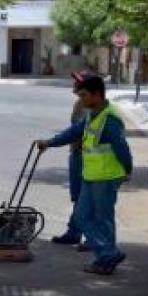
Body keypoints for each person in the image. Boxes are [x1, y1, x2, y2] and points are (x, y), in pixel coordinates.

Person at [37, 76, 132, 275]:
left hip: (106, 177)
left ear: (97, 95)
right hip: (91, 175)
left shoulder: (110, 118)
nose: (81, 99)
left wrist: (128, 170)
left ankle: (105, 258)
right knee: (81, 216)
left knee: (103, 218)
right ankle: (108, 253)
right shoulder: (91, 115)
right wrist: (49, 143)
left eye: (84, 95)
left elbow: (122, 147)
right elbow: (73, 132)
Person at [51, 70, 93, 249]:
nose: (74, 84)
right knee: (78, 196)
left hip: (88, 156)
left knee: (87, 198)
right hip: (77, 154)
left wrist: (51, 142)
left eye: (78, 82)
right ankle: (74, 232)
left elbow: (77, 131)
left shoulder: (90, 106)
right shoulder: (79, 103)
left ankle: (91, 237)